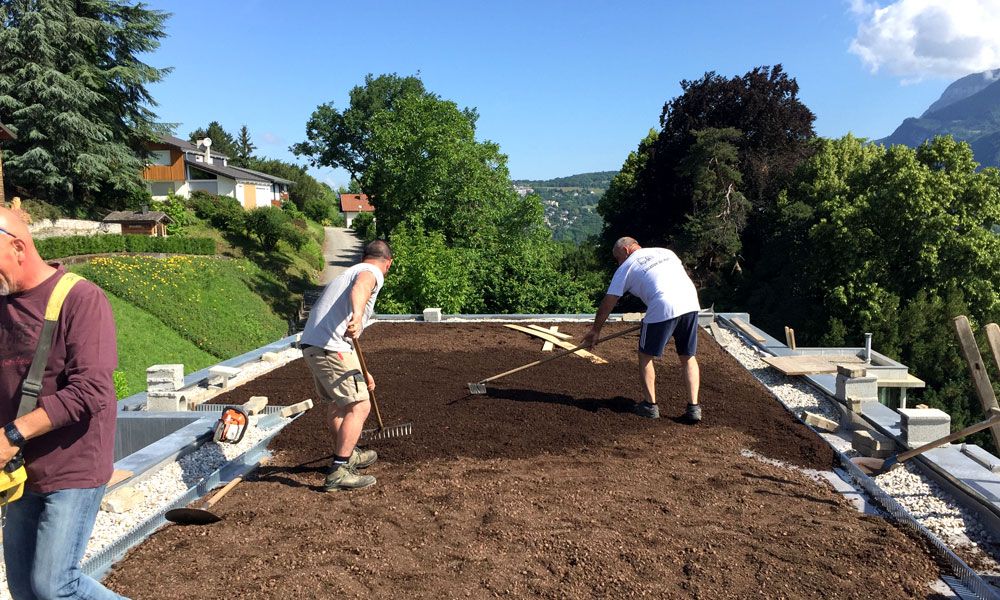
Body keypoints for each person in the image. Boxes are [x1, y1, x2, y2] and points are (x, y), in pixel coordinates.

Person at [0, 208, 125, 599]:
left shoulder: (80, 298)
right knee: (24, 590)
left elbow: (92, 390)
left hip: (74, 465)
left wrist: (12, 434)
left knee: (55, 587)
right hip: (22, 470)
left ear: (18, 247)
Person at [299, 240, 392, 492]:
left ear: (363, 256)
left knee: (339, 404)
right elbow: (362, 286)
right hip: (330, 347)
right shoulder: (371, 272)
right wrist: (358, 315)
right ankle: (339, 471)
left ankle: (348, 454)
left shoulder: (348, 273)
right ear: (388, 263)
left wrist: (363, 371)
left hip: (315, 345)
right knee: (359, 405)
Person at [582, 237, 702, 422]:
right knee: (688, 356)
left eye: (618, 258)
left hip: (663, 304)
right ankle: (694, 408)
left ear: (626, 250)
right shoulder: (665, 252)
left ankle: (650, 406)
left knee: (645, 356)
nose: (618, 262)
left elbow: (608, 302)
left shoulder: (626, 267)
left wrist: (595, 331)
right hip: (690, 302)